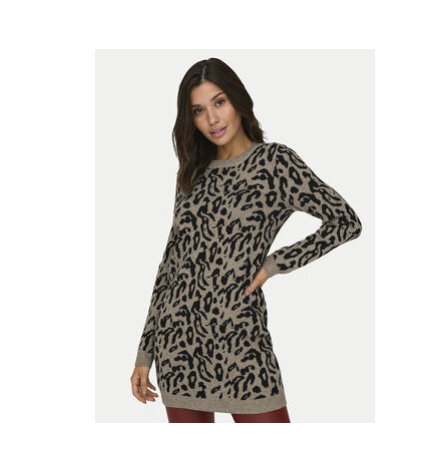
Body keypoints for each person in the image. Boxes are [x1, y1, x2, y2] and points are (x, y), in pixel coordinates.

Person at [130, 57, 362, 423]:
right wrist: (145, 353)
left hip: (242, 345)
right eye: (198, 110)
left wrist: (274, 265)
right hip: (178, 347)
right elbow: (171, 265)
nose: (212, 119)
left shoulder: (274, 163)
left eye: (219, 102)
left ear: (238, 100)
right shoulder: (192, 173)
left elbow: (345, 221)